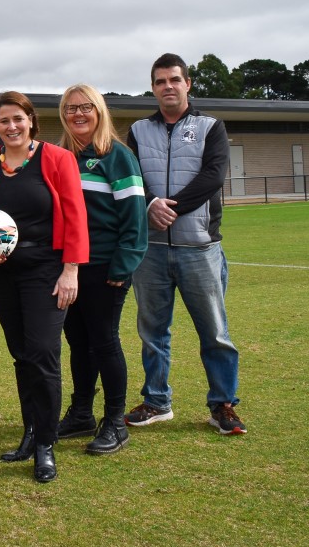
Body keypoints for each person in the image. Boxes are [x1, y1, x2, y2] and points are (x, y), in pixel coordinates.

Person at [0, 91, 89, 483]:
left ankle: (46, 444)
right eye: (3, 121)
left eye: (18, 118)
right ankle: (30, 432)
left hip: (46, 271)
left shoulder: (57, 158)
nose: (11, 126)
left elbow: (74, 216)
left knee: (42, 353)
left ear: (31, 120)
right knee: (21, 354)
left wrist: (70, 270)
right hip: (2, 273)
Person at [126, 53, 246, 435]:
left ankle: (222, 405)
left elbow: (213, 176)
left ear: (188, 84)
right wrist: (149, 203)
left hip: (200, 248)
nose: (168, 87)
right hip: (152, 251)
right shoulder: (138, 130)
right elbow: (131, 178)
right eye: (160, 81)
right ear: (153, 88)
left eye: (174, 80)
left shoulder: (211, 126)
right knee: (152, 332)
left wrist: (169, 207)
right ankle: (157, 401)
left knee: (215, 333)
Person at [55, 83, 148, 456]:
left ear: (99, 111)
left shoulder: (118, 156)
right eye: (71, 108)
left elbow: (135, 218)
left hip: (106, 266)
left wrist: (123, 264)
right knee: (77, 341)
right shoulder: (60, 156)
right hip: (69, 268)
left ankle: (114, 420)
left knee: (104, 340)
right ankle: (81, 412)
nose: (79, 114)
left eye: (86, 107)